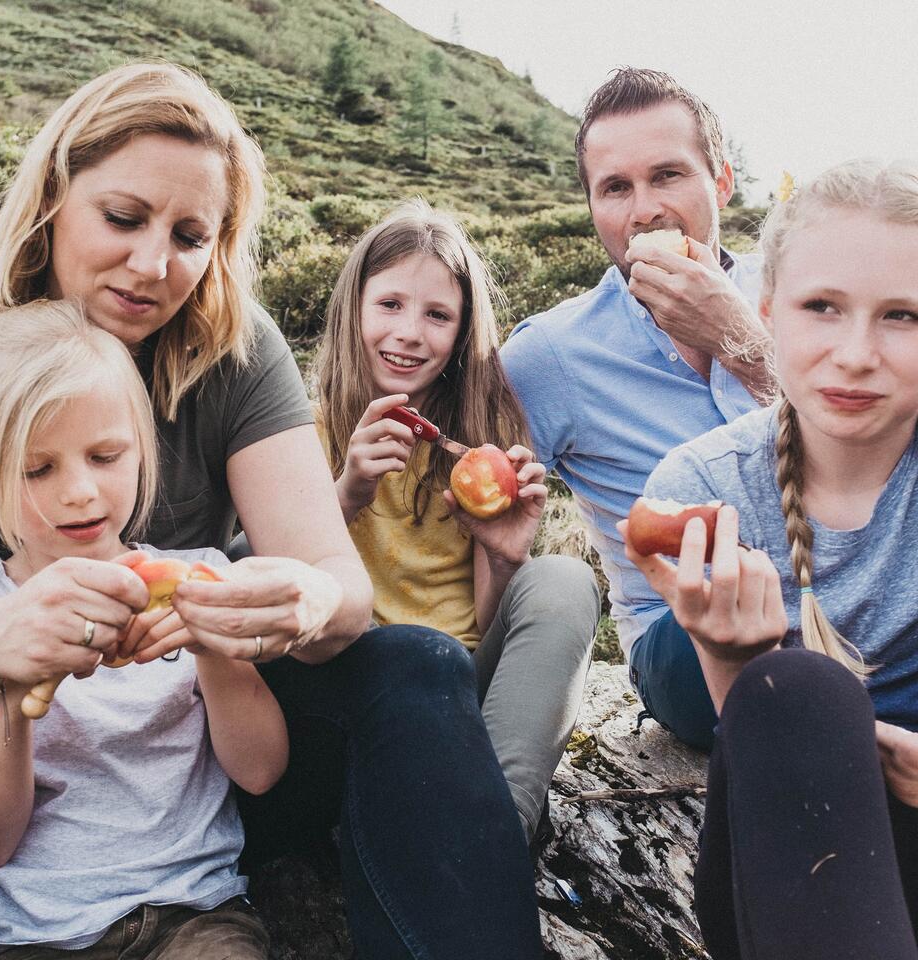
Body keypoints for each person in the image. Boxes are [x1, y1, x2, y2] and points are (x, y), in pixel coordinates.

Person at [0, 63, 543, 959]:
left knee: (417, 665)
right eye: (122, 218)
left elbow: (337, 585)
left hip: (200, 787)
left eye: (191, 235)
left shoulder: (233, 349)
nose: (154, 265)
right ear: (51, 198)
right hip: (0, 802)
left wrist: (299, 604)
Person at [622, 159, 918, 959]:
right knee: (797, 691)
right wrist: (732, 659)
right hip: (792, 869)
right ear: (765, 313)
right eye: (822, 307)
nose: (857, 353)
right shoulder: (704, 485)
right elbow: (746, 753)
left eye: (902, 317)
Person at [0, 300, 287, 957]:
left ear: (141, 448)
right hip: (34, 932)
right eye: (37, 469)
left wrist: (213, 649)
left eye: (105, 455)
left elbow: (260, 771)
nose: (80, 490)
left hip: (195, 913)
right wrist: (15, 688)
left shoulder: (199, 576)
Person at [501, 67, 773, 751]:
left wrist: (744, 343)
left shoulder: (800, 294)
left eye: (668, 176)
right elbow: (468, 490)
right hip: (681, 637)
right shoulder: (552, 354)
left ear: (722, 181)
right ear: (593, 206)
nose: (644, 209)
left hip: (844, 588)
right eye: (616, 188)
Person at [313, 199, 601, 847]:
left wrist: (502, 555)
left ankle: (492, 832)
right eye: (390, 305)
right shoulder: (305, 432)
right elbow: (284, 579)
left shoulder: (481, 443)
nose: (411, 333)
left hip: (459, 686)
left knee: (563, 580)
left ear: (462, 332)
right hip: (353, 688)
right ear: (352, 307)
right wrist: (350, 490)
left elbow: (483, 622)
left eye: (437, 314)